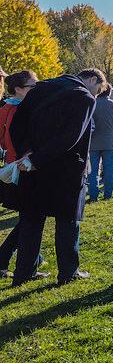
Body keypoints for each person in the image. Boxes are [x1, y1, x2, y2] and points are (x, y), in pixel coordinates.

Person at [10, 68, 106, 286]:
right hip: (66, 169)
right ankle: (68, 271)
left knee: (31, 221)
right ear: (92, 80)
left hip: (33, 165)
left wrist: (26, 153)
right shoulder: (84, 98)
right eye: (97, 90)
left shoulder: (40, 88)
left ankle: (24, 272)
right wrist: (37, 158)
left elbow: (17, 124)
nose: (96, 95)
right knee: (68, 222)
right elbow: (71, 137)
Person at [0, 71, 39, 279]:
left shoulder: (5, 108)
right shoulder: (19, 110)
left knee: (29, 217)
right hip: (23, 167)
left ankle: (31, 258)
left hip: (12, 167)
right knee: (31, 217)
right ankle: (9, 258)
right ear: (18, 89)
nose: (37, 89)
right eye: (33, 86)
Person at [88, 85, 113, 202]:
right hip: (109, 142)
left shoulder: (91, 103)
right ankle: (108, 194)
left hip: (93, 142)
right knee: (109, 170)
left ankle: (93, 195)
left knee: (93, 171)